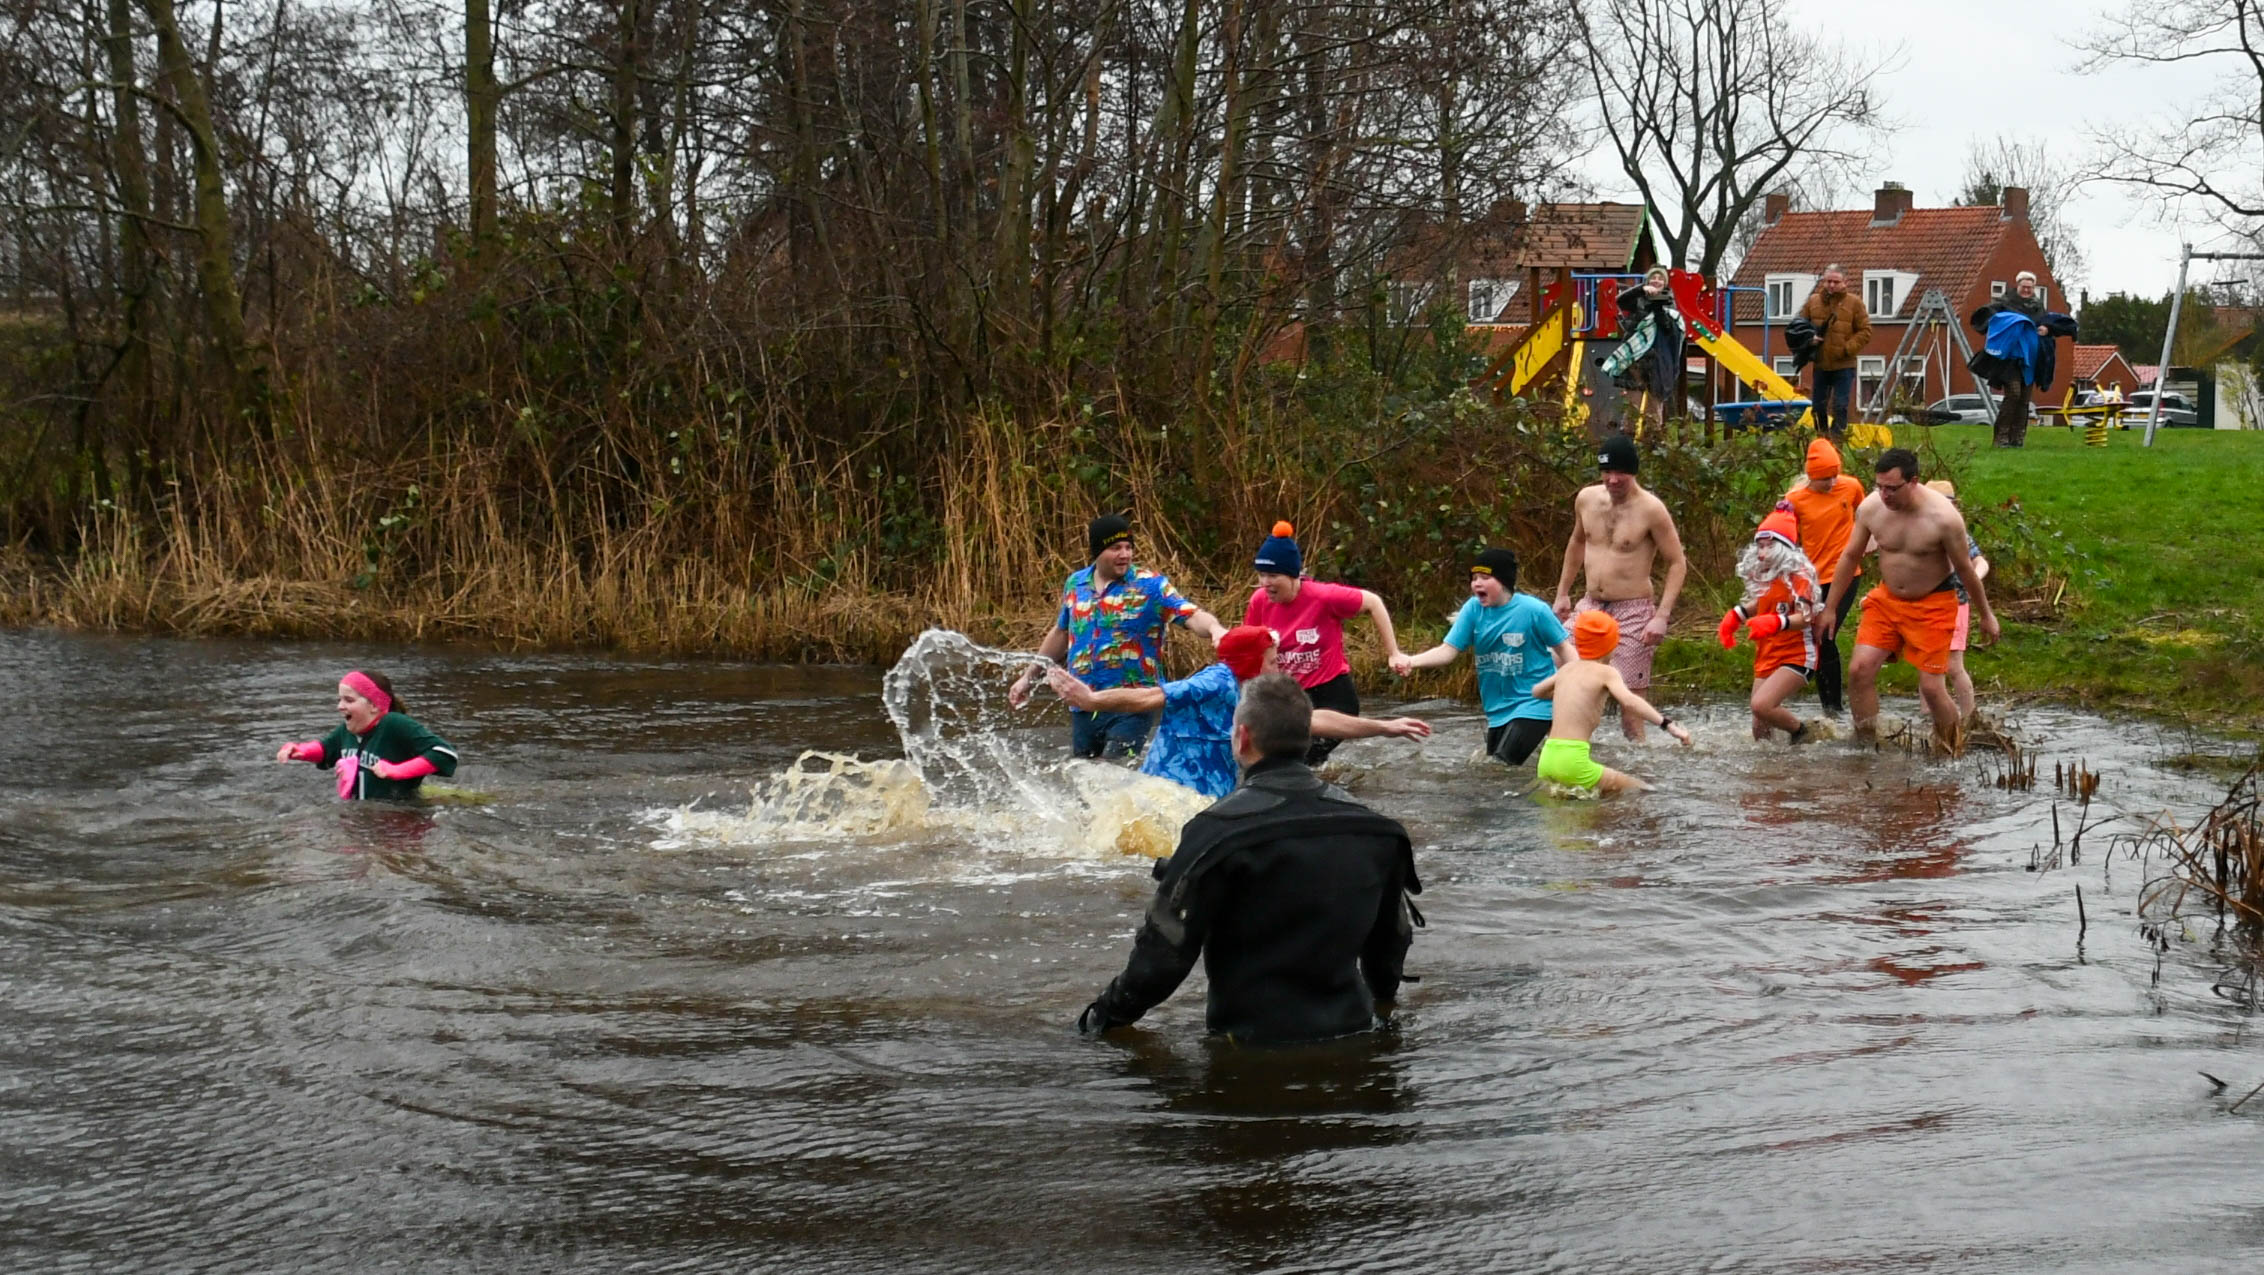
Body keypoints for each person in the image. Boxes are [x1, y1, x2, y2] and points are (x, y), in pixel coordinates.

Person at [1075, 672, 1421, 1046]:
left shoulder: (1215, 830)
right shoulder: (1375, 829)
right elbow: (1391, 944)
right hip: (1353, 1032)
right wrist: (1384, 1010)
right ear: (1308, 736)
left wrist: (1100, 1021)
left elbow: (1163, 957)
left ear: (1242, 737)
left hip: (1249, 1042)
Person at [1046, 626, 1431, 800]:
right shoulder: (1214, 682)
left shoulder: (1257, 694)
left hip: (1206, 805)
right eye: (1272, 661)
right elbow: (1148, 697)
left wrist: (1385, 727)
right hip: (1163, 799)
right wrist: (1092, 700)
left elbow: (1315, 720)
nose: (1279, 668)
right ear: (1251, 661)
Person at [1817, 449, 1998, 751]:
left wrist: (1986, 615)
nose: (1884, 495)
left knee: (1932, 689)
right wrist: (1830, 608)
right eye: (1879, 486)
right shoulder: (1872, 507)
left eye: (1892, 488)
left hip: (1933, 604)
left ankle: (1953, 748)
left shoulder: (1944, 519)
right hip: (1886, 601)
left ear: (1913, 482)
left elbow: (1967, 570)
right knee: (1859, 670)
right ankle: (1866, 747)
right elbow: (1850, 556)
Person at [1011, 513, 1226, 759]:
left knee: (1115, 771)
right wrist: (1028, 677)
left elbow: (1192, 615)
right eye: (1115, 548)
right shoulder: (1076, 584)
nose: (1125, 554)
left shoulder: (1151, 586)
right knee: (1084, 775)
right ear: (1097, 551)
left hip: (1131, 705)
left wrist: (1215, 629)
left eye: (1128, 547)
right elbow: (1061, 632)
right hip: (1083, 703)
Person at [1551, 434, 1687, 741]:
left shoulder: (1651, 509)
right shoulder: (1586, 499)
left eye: (1620, 473)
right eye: (1607, 472)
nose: (1613, 479)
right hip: (1590, 607)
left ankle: (1639, 761)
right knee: (1558, 669)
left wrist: (1662, 616)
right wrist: (1562, 594)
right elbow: (1577, 542)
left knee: (1630, 707)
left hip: (1633, 611)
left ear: (1633, 472)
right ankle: (1563, 747)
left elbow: (1677, 562)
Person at [1242, 521, 1408, 767]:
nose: (1265, 582)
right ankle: (1328, 776)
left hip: (1333, 694)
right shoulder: (1259, 601)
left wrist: (1393, 653)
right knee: (1287, 759)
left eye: (1273, 576)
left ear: (1293, 575)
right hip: (1291, 694)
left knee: (1298, 760)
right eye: (1261, 575)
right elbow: (1249, 647)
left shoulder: (1324, 597)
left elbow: (1373, 602)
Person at [1393, 547, 1575, 766]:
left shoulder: (1534, 610)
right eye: (1474, 578)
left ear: (1504, 581)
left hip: (1535, 703)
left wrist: (1580, 682)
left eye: (1485, 578)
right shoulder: (1473, 609)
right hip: (1497, 709)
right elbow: (1447, 651)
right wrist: (1411, 661)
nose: (1477, 584)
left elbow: (1564, 649)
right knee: (1493, 769)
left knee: (1502, 765)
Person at [1530, 612, 1692, 795]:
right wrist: (1667, 724)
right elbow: (1630, 701)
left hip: (1547, 758)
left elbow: (1537, 691)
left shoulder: (1566, 669)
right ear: (1610, 645)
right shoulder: (1606, 672)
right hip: (1573, 760)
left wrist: (1566, 695)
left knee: (1567, 808)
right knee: (1642, 791)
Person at [1716, 502, 1822, 743]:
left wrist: (1777, 622)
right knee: (1759, 727)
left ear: (1784, 548)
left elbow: (1806, 617)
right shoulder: (1766, 572)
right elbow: (1762, 601)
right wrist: (1737, 615)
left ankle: (1802, 733)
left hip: (1797, 655)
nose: (1762, 553)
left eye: (1769, 546)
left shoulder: (1799, 576)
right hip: (1767, 653)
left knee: (1762, 705)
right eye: (1760, 546)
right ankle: (1770, 764)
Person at [276, 670, 460, 800]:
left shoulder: (394, 723)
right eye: (339, 699)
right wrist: (300, 751)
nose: (339, 706)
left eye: (349, 700)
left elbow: (445, 754)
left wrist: (397, 771)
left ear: (374, 705)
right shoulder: (347, 729)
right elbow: (326, 749)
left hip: (402, 815)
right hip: (364, 815)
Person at [1784, 437, 1866, 714]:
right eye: (1824, 479)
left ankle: (1835, 709)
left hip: (1846, 575)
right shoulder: (1794, 500)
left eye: (1834, 476)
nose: (1831, 483)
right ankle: (1828, 707)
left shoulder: (1851, 487)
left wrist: (1869, 542)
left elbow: (1866, 516)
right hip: (1813, 579)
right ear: (1811, 476)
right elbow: (1785, 539)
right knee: (1817, 639)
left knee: (1826, 634)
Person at [1968, 271, 2080, 449]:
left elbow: (2047, 324)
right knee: (2013, 393)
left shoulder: (2038, 307)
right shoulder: (2004, 304)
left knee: (2024, 399)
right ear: (2017, 285)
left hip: (2031, 359)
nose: (2027, 290)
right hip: (2009, 359)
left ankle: (2017, 438)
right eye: (2024, 287)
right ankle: (2001, 437)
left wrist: (2047, 329)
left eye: (2030, 287)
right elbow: (1988, 319)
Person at [1924, 480, 1991, 726]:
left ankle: (1970, 717)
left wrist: (1974, 579)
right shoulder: (1917, 530)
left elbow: (1980, 562)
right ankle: (1928, 719)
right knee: (1927, 666)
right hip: (1924, 606)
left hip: (1956, 603)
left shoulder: (1957, 531)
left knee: (1953, 666)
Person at [1604, 266, 1686, 429]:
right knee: (1632, 409)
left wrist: (1658, 308)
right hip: (1636, 360)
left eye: (1660, 278)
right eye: (1653, 278)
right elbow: (1620, 301)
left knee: (1654, 410)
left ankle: (1652, 441)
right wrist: (1641, 289)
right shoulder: (1638, 301)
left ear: (1665, 283)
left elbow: (1668, 329)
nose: (1656, 281)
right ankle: (1628, 439)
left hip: (1657, 363)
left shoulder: (1670, 305)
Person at [1799, 265, 1873, 440]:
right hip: (1821, 364)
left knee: (1840, 406)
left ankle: (1837, 440)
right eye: (1828, 281)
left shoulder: (1854, 303)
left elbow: (1865, 331)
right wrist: (1809, 339)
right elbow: (1799, 326)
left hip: (1844, 365)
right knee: (1818, 407)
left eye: (1836, 282)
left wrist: (1847, 348)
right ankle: (1822, 438)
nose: (1831, 285)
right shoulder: (1813, 302)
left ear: (1845, 282)